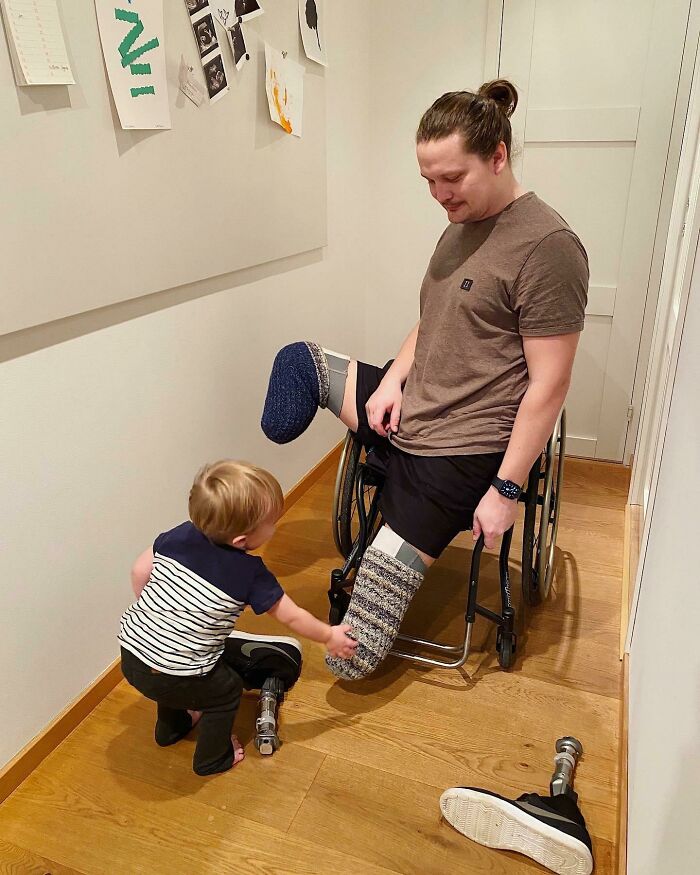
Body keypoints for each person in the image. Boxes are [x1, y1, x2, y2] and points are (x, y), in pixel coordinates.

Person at [261, 79, 589, 681]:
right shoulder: (458, 223)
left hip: (461, 448)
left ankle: (400, 519)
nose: (439, 195)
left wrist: (508, 491)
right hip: (408, 401)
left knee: (350, 663)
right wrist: (391, 382)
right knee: (298, 361)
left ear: (498, 156)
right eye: (428, 181)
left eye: (452, 178)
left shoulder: (548, 247)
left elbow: (550, 385)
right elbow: (432, 320)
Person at [118, 460, 357, 776]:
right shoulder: (250, 574)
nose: (276, 525)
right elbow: (293, 617)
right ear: (241, 541)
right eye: (273, 521)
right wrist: (329, 636)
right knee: (226, 690)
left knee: (171, 669)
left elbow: (139, 571)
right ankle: (212, 759)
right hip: (177, 673)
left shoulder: (181, 535)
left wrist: (159, 618)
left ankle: (171, 727)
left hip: (131, 654)